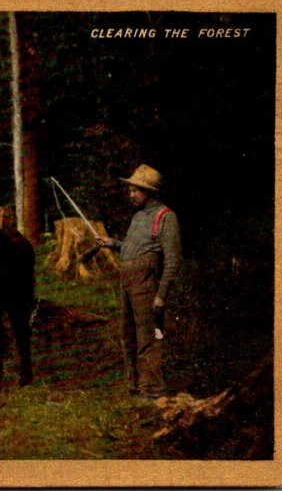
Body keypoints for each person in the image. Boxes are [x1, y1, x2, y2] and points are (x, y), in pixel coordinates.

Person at [96, 164, 182, 399]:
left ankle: (152, 391)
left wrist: (161, 295)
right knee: (128, 335)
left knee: (149, 338)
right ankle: (134, 388)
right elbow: (132, 248)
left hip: (147, 285)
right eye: (131, 190)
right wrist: (112, 243)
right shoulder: (137, 217)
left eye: (135, 190)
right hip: (127, 283)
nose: (131, 194)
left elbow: (173, 261)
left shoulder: (166, 217)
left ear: (149, 191)